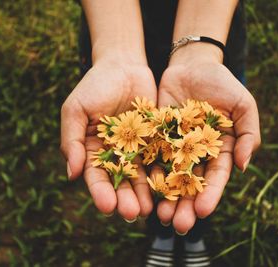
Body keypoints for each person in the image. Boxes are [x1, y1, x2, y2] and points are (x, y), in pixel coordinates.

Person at [60, 0, 260, 266]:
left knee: (202, 180)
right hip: (110, 32)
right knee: (151, 174)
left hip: (214, 41)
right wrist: (116, 51)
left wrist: (200, 53)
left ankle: (194, 235)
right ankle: (161, 235)